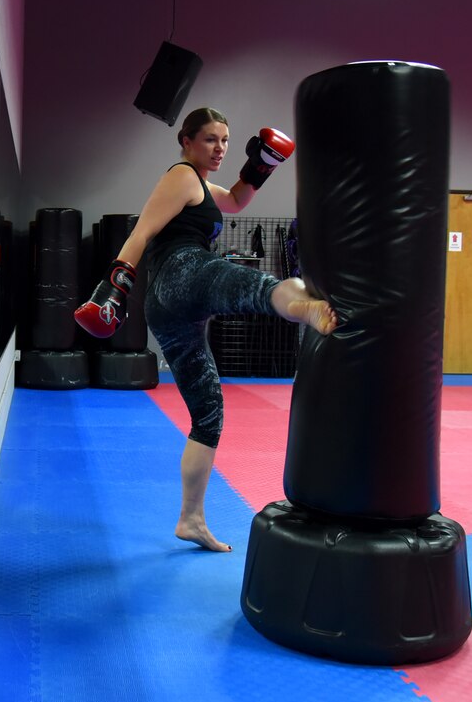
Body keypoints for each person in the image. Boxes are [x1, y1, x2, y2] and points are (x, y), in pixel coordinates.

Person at [75, 107, 337, 552]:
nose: (219, 149)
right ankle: (304, 307)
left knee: (208, 414)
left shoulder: (202, 186)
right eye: (211, 140)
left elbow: (235, 200)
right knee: (254, 286)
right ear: (187, 141)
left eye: (226, 141)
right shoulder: (179, 176)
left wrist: (262, 166)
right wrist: (112, 290)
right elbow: (141, 233)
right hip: (182, 272)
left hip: (174, 311)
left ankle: (190, 519)